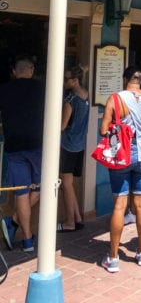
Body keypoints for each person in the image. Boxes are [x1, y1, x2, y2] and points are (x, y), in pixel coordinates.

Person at [100, 65, 141, 273]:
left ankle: (113, 257)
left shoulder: (116, 99)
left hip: (122, 155)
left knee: (120, 205)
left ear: (125, 78)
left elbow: (103, 130)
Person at [0, 57, 45, 253]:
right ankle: (15, 224)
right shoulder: (42, 88)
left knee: (22, 192)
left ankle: (26, 238)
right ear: (32, 70)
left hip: (14, 146)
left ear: (14, 71)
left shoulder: (4, 89)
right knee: (42, 186)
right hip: (37, 145)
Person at [57, 65, 89, 232]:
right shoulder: (86, 95)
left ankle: (70, 222)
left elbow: (62, 125)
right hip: (80, 144)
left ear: (74, 80)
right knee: (70, 184)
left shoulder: (70, 100)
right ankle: (77, 217)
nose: (63, 82)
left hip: (67, 144)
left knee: (66, 184)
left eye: (66, 79)